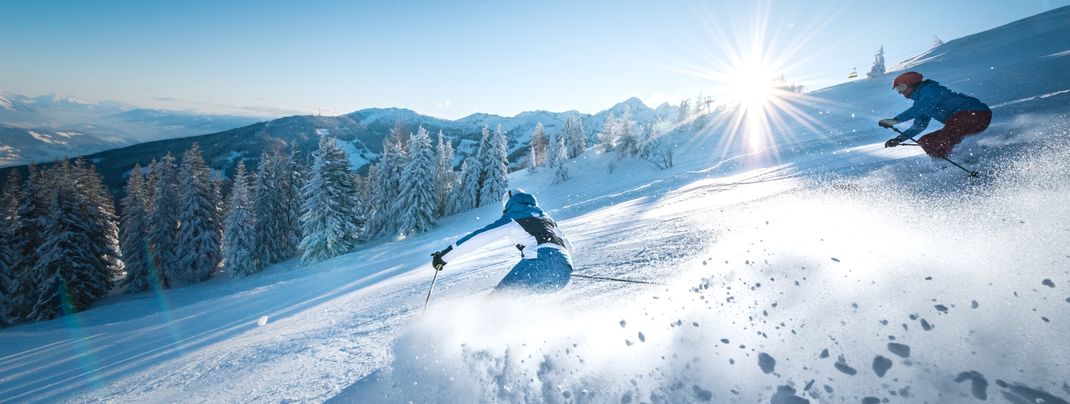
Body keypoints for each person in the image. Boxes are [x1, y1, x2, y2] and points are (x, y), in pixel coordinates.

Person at [431, 189, 574, 293]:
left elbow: (479, 237)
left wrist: (444, 256)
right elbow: (568, 246)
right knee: (523, 303)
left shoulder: (513, 217)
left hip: (540, 262)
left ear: (507, 204)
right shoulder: (546, 218)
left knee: (499, 301)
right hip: (564, 271)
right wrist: (558, 266)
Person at [878, 71, 991, 159]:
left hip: (975, 114)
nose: (901, 92)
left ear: (912, 83)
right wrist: (898, 139)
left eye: (901, 87)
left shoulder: (930, 90)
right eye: (897, 90)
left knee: (945, 138)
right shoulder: (919, 102)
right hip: (962, 121)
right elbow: (919, 126)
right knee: (926, 141)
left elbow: (921, 108)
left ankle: (957, 160)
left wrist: (894, 121)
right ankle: (950, 162)